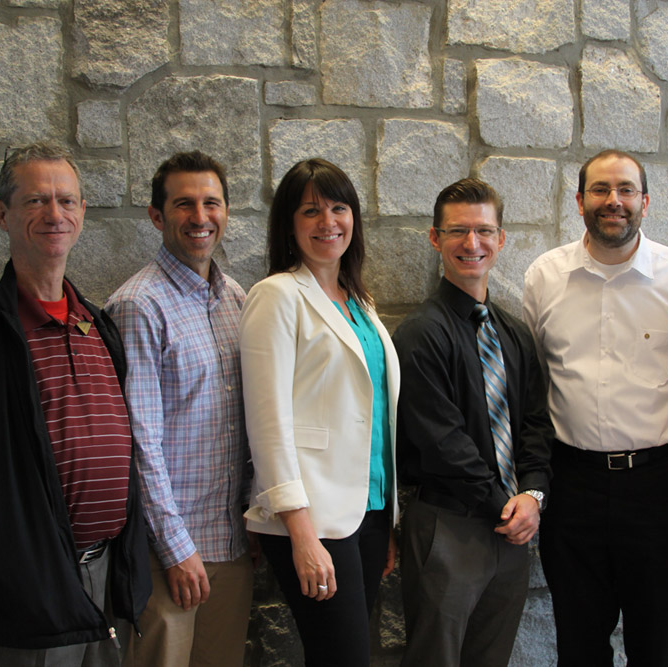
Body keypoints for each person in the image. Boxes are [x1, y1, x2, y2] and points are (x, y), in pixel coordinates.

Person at [0, 142, 151, 664]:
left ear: (82, 213)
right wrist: (5, 567)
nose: (55, 214)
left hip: (106, 582)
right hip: (22, 597)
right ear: (2, 213)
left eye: (66, 201)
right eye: (35, 201)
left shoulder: (99, 327)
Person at [523, 148, 668, 666]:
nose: (614, 201)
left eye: (626, 190)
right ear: (579, 200)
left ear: (646, 201)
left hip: (659, 488)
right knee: (579, 647)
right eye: (601, 190)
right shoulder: (545, 276)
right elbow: (534, 383)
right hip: (572, 487)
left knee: (653, 648)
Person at [239, 158, 399, 666]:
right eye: (311, 211)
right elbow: (267, 424)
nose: (328, 222)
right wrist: (301, 534)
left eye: (338, 207)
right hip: (313, 519)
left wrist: (387, 520)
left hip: (368, 512)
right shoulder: (278, 296)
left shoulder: (360, 302)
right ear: (289, 224)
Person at [393, 178, 554, 667]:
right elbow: (443, 442)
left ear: (501, 239)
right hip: (449, 527)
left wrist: (533, 495)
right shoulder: (421, 334)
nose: (472, 243)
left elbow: (535, 423)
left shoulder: (513, 333)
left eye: (484, 231)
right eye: (457, 231)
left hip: (511, 531)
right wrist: (506, 505)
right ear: (435, 238)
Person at [105, 151, 253, 666]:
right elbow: (137, 440)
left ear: (226, 212)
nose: (199, 216)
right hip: (166, 554)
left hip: (230, 544)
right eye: (183, 203)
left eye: (211, 202)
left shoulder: (234, 298)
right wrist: (174, 547)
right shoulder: (138, 305)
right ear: (156, 215)